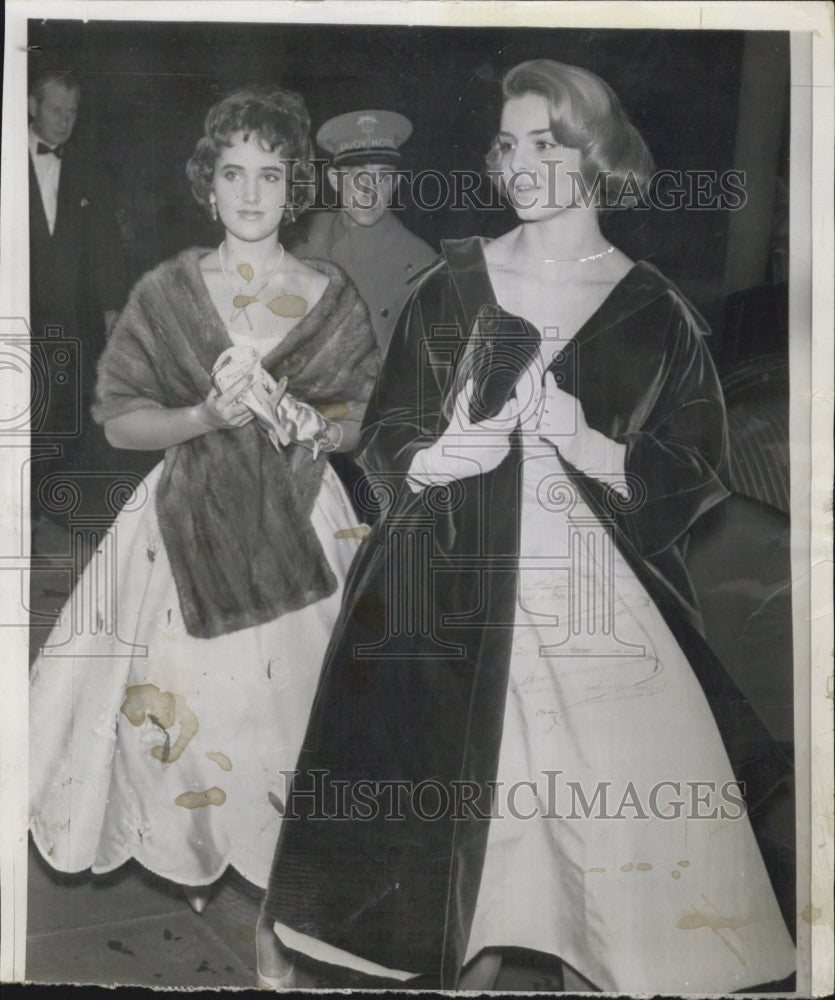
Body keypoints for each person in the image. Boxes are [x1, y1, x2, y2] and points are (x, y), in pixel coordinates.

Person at [258, 61, 796, 992]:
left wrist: (586, 440)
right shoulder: (453, 283)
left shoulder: (653, 309)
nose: (519, 162)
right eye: (508, 144)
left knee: (613, 879)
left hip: (595, 609)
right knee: (467, 849)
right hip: (449, 595)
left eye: (545, 142)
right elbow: (388, 432)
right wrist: (441, 459)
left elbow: (688, 468)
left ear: (598, 154)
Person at [29, 87, 379, 946]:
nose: (251, 193)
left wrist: (316, 425)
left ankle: (274, 914)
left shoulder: (330, 291)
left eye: (270, 173)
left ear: (295, 185)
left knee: (291, 723)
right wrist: (203, 419)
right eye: (233, 173)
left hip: (303, 525)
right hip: (180, 520)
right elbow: (116, 419)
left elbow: (358, 415)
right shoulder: (167, 291)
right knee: (183, 716)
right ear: (208, 185)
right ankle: (193, 844)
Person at [28, 69, 128, 531]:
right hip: (19, 316)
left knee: (64, 413)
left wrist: (111, 309)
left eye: (73, 113)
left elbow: (106, 242)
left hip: (71, 319)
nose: (65, 123)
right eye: (56, 111)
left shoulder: (87, 165)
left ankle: (45, 502)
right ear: (32, 106)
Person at [288, 109, 436, 356]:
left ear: (396, 184)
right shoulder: (300, 239)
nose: (370, 192)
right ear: (335, 180)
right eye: (358, 177)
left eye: (382, 177)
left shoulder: (422, 263)